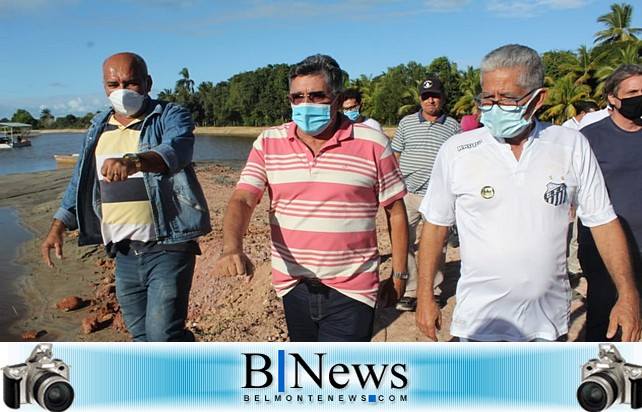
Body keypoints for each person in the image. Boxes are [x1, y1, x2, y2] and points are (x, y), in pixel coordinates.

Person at [415, 44, 641, 342]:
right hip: (479, 324)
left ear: (538, 98)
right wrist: (424, 297)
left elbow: (602, 221)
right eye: (487, 98)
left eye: (507, 98)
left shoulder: (570, 144)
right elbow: (435, 226)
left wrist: (627, 293)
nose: (494, 107)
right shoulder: (457, 151)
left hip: (549, 323)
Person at [215, 54, 409, 342]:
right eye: (298, 97)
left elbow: (395, 210)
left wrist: (399, 275)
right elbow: (243, 199)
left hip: (352, 290)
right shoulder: (269, 142)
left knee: (341, 378)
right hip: (293, 286)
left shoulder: (372, 142)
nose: (306, 104)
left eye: (317, 96)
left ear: (337, 98)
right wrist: (232, 247)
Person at [41, 52, 212, 342]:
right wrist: (58, 226)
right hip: (123, 252)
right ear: (105, 87)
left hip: (168, 246)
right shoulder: (97, 126)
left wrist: (134, 161)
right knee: (141, 337)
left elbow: (178, 149)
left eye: (131, 82)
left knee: (162, 336)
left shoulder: (170, 115)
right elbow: (80, 179)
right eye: (113, 84)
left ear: (148, 83)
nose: (121, 90)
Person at [578, 64, 642, 342]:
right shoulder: (589, 139)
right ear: (613, 99)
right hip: (605, 252)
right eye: (634, 92)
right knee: (606, 324)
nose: (640, 96)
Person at [390, 77, 461, 311]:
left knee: (437, 245)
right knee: (404, 241)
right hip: (408, 194)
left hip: (437, 196)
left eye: (435, 96)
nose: (431, 100)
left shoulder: (453, 126)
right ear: (420, 99)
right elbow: (396, 154)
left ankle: (433, 290)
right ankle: (410, 289)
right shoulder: (406, 123)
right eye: (426, 96)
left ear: (442, 98)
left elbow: (457, 161)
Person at [562, 101, 600, 280]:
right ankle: (574, 267)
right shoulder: (567, 128)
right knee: (577, 232)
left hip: (586, 182)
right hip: (572, 183)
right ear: (583, 113)